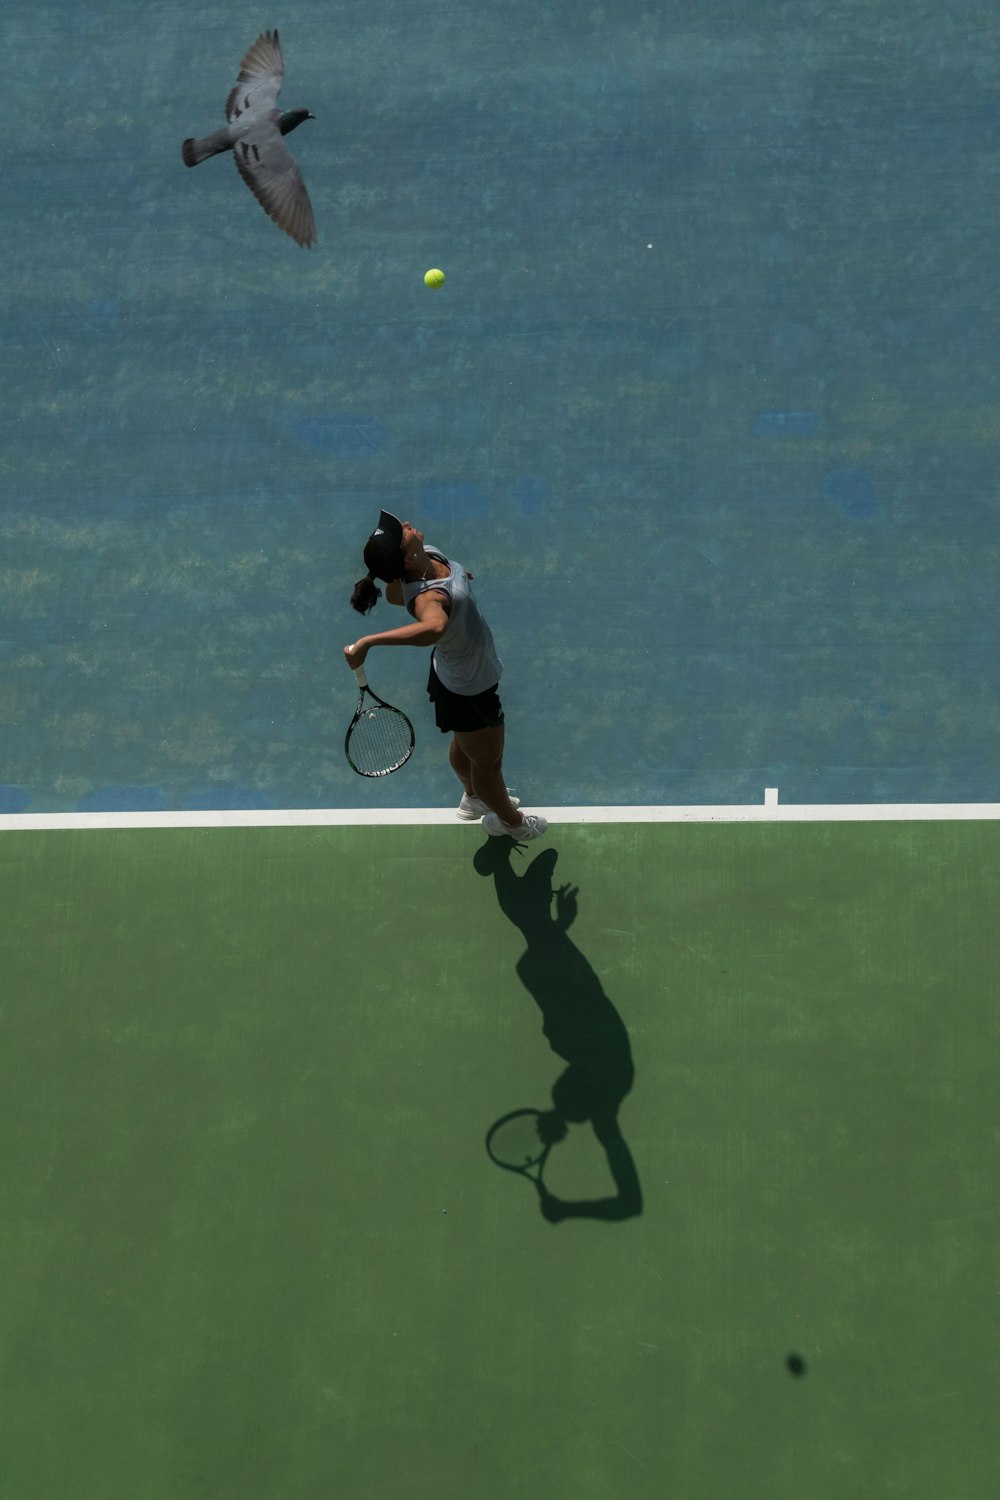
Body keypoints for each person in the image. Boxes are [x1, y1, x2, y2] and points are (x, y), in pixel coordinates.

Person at [345, 510, 547, 840]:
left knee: (466, 743)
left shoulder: (426, 558)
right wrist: (369, 642)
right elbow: (433, 626)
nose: (407, 525)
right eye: (402, 532)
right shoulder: (430, 599)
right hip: (471, 687)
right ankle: (512, 823)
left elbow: (397, 593)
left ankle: (474, 799)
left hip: (452, 676)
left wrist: (458, 579)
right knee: (489, 767)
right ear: (406, 554)